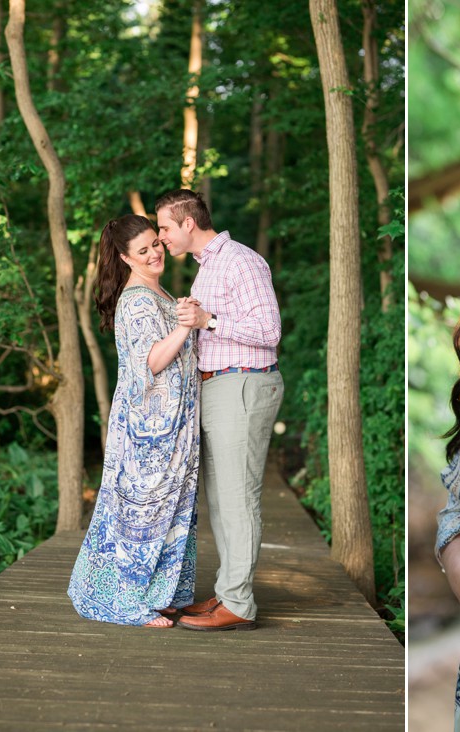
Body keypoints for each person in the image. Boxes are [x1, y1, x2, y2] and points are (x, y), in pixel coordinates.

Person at [154, 189, 284, 632]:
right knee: (221, 501)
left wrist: (208, 320)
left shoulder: (240, 261)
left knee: (237, 499)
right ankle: (229, 592)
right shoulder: (207, 268)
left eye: (165, 228)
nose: (161, 237)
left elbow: (269, 330)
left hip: (242, 383)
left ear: (188, 222)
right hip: (217, 386)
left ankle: (239, 603)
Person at [68, 214, 200, 629]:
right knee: (142, 514)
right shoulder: (138, 299)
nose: (155, 253)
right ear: (126, 257)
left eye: (155, 244)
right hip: (150, 429)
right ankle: (125, 603)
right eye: (142, 251)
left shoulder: (155, 290)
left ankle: (158, 594)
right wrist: (184, 327)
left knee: (169, 509)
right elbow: (153, 361)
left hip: (172, 425)